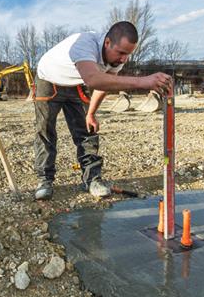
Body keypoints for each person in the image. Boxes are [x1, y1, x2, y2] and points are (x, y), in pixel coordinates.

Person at [33, 21, 172, 200]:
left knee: (86, 131)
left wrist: (91, 113)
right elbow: (93, 79)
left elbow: (103, 85)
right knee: (45, 130)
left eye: (128, 54)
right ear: (107, 43)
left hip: (76, 82)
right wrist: (143, 81)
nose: (124, 59)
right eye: (121, 53)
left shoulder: (115, 59)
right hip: (48, 79)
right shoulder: (84, 44)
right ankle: (45, 180)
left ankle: (92, 180)